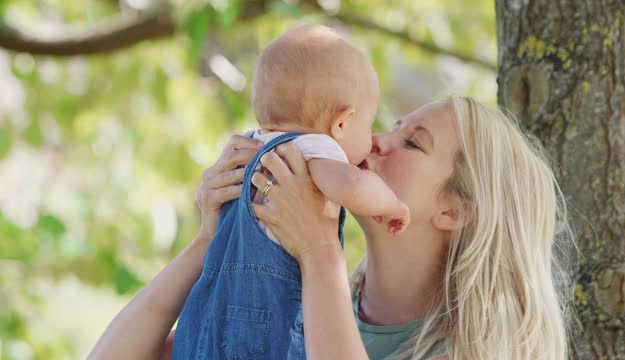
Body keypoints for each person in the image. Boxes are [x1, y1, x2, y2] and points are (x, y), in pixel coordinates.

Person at [90, 96, 573, 360]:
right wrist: (207, 243)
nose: (378, 139)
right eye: (395, 125)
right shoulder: (293, 300)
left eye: (413, 143)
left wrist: (320, 250)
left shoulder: (471, 353)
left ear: (456, 210)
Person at [170, 24, 409, 359]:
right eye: (368, 125)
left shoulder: (252, 146)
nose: (373, 141)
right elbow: (352, 185)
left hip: (208, 314)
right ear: (341, 124)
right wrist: (393, 204)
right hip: (262, 322)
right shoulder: (315, 149)